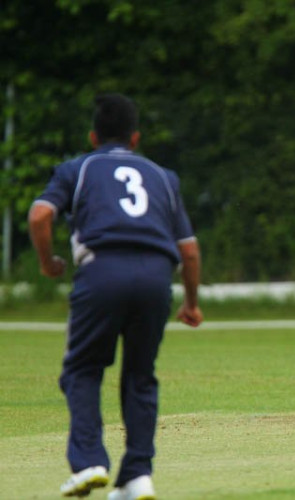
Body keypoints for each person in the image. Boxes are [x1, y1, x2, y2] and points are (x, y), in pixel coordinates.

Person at [28, 93, 203, 499]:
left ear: (93, 137)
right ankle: (137, 475)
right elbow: (189, 251)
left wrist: (46, 261)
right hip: (156, 277)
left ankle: (90, 462)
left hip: (102, 272)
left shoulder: (79, 168)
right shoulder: (163, 176)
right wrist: (191, 302)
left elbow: (39, 214)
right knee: (141, 377)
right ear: (136, 138)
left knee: (82, 369)